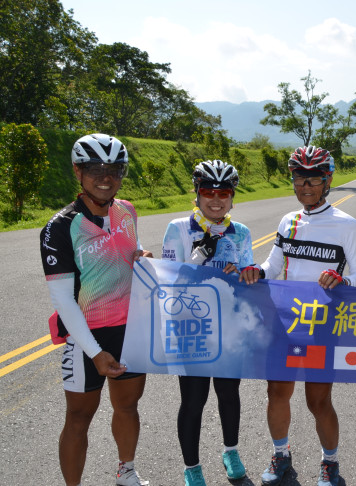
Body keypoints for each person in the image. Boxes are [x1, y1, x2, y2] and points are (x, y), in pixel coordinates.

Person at [239, 146, 356, 486]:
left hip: (323, 325)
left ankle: (330, 462)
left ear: (327, 181)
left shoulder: (346, 225)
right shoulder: (288, 221)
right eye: (299, 178)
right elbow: (273, 265)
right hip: (286, 322)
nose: (306, 186)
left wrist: (342, 280)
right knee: (277, 392)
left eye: (314, 179)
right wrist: (257, 272)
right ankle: (281, 455)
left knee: (318, 400)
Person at [40, 134, 151, 486]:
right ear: (77, 171)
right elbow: (62, 299)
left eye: (114, 169)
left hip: (129, 331)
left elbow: (131, 245)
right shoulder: (59, 227)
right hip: (85, 336)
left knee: (128, 407)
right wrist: (95, 352)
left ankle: (126, 472)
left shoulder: (127, 209)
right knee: (78, 418)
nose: (105, 177)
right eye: (94, 169)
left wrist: (141, 254)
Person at [161, 160, 253, 486]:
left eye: (224, 192)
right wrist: (200, 261)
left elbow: (249, 278)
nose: (216, 199)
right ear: (196, 193)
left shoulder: (240, 233)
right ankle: (192, 468)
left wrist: (241, 277)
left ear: (232, 196)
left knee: (229, 394)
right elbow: (169, 279)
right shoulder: (178, 228)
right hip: (191, 327)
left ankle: (231, 451)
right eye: (208, 191)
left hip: (228, 328)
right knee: (194, 399)